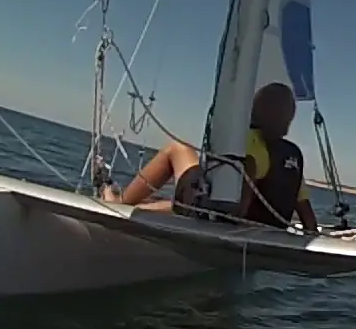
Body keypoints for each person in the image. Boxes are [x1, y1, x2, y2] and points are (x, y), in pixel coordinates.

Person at [101, 82, 319, 233]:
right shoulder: (293, 156)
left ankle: (120, 206)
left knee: (177, 149)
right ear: (288, 119)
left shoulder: (250, 143)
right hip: (265, 232)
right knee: (176, 201)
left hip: (221, 223)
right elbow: (308, 220)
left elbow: (238, 209)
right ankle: (139, 209)